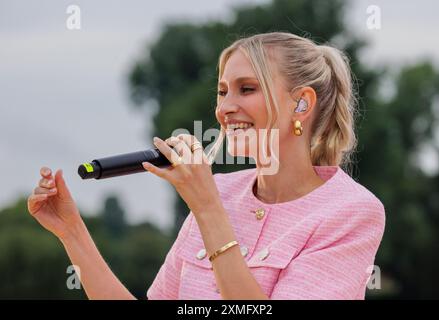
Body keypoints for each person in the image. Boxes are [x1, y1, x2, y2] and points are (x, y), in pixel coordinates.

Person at [27, 32, 385, 300]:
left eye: (247, 89)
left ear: (302, 105)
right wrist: (71, 231)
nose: (225, 108)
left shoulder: (351, 213)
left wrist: (207, 207)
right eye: (222, 91)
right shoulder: (221, 192)